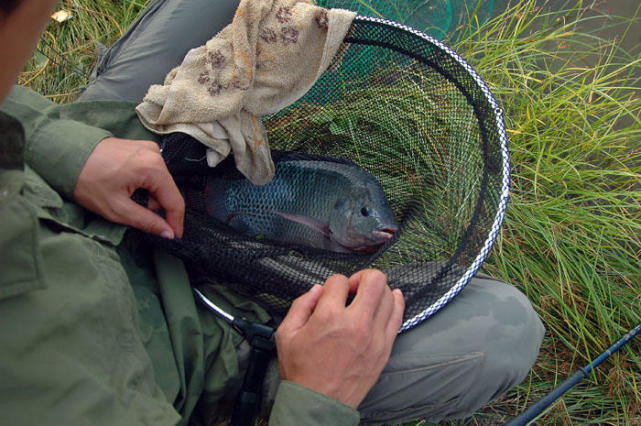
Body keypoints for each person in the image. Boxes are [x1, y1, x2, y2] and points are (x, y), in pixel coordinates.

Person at [0, 0, 545, 425]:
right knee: (507, 326)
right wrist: (314, 398)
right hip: (207, 346)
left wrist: (63, 145)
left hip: (110, 155)